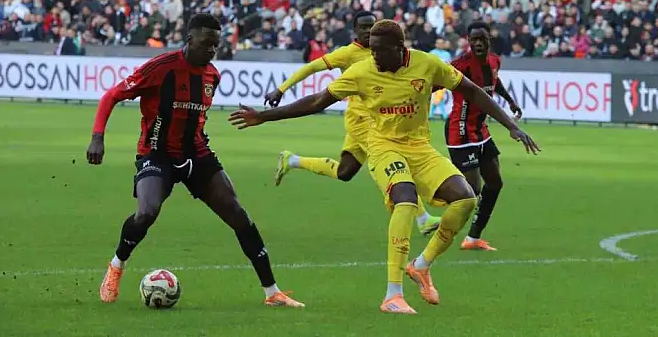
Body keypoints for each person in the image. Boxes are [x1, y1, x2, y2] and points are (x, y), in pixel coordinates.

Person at [229, 20, 539, 315]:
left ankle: (421, 265)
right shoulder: (362, 71)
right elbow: (316, 101)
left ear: (399, 47)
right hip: (382, 145)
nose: (373, 54)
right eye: (371, 48)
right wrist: (264, 116)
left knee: (466, 198)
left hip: (419, 146)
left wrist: (511, 126)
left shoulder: (427, 64)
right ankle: (393, 295)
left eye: (379, 49)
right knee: (404, 200)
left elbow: (472, 90)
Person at [86, 13, 303, 308]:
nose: (211, 50)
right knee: (147, 212)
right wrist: (98, 136)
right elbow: (111, 96)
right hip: (156, 153)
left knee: (238, 214)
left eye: (216, 45)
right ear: (190, 40)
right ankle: (116, 266)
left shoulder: (213, 75)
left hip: (197, 155)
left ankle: (272, 292)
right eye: (206, 44)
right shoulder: (160, 68)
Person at [265, 11, 442, 236]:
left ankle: (293, 160)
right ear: (355, 31)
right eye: (363, 27)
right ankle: (423, 218)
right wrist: (281, 89)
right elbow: (311, 67)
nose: (368, 31)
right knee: (396, 164)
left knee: (345, 171)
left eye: (372, 26)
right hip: (362, 121)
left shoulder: (386, 51)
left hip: (377, 119)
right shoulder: (348, 54)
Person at [444, 22, 522, 251]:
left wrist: (509, 100)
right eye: (474, 39)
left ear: (489, 39)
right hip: (460, 130)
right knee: (472, 191)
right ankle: (435, 200)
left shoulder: (495, 61)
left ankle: (473, 238)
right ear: (469, 41)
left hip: (481, 131)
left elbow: (494, 81)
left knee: (495, 183)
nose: (478, 43)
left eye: (482, 39)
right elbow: (436, 83)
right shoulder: (460, 65)